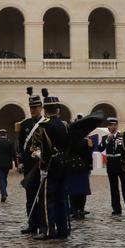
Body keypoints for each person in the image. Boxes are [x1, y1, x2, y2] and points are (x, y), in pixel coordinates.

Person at [33, 94, 71, 240]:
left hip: (50, 166)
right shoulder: (65, 125)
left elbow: (44, 149)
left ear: (45, 110)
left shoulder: (44, 126)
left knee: (48, 199)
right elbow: (69, 146)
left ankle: (49, 230)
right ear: (58, 110)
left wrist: (42, 162)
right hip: (64, 165)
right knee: (62, 198)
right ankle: (63, 229)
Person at [15, 89, 48, 235]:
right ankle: (32, 224)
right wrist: (20, 161)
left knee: (41, 197)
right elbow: (21, 144)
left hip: (42, 165)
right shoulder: (25, 124)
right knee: (30, 196)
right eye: (31, 108)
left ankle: (42, 224)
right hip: (29, 165)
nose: (34, 110)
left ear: (41, 107)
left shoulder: (46, 123)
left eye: (36, 107)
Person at [95, 118, 125, 215]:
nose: (111, 127)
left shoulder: (121, 137)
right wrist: (108, 140)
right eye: (109, 125)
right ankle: (116, 208)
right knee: (114, 188)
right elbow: (100, 148)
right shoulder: (105, 137)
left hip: (121, 164)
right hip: (111, 165)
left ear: (116, 125)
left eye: (113, 125)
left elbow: (124, 149)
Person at [65, 114, 94, 221]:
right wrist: (90, 166)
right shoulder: (86, 141)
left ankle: (74, 209)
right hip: (82, 168)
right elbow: (89, 155)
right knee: (82, 191)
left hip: (72, 167)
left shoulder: (69, 140)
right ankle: (80, 209)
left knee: (73, 191)